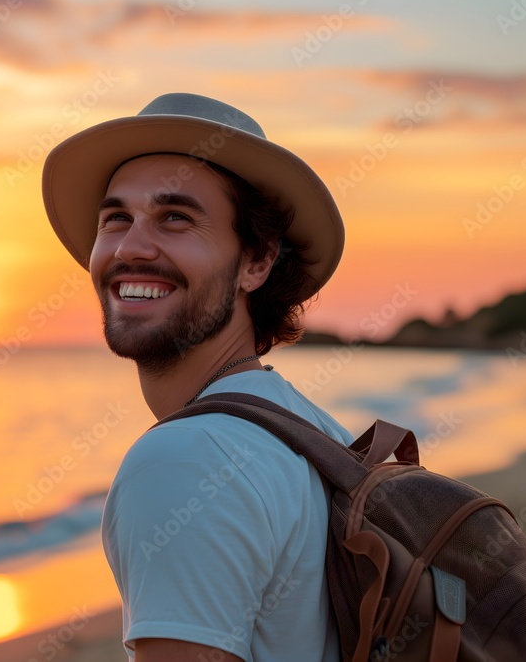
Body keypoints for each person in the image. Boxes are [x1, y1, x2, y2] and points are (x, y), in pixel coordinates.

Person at [42, 93, 353, 662]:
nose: (131, 247)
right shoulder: (316, 431)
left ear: (256, 261)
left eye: (176, 218)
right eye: (116, 219)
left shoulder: (185, 460)